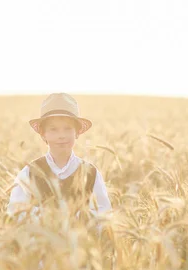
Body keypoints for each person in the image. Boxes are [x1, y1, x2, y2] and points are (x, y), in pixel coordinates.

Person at [6, 93, 112, 222]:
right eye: (53, 130)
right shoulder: (29, 173)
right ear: (43, 134)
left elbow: (103, 216)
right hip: (39, 241)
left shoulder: (91, 174)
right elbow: (16, 215)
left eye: (67, 129)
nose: (61, 136)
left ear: (77, 132)